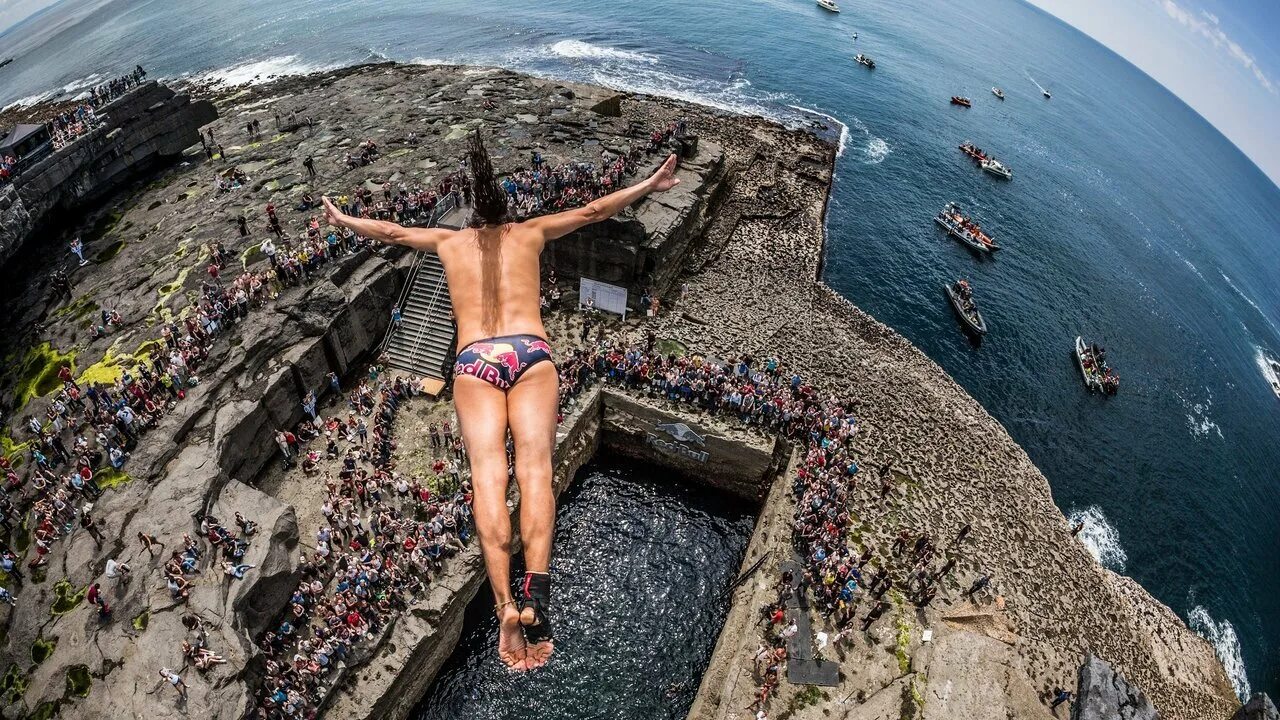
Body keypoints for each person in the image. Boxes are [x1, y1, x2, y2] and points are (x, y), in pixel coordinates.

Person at [322, 132, 682, 671]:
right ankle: (536, 592)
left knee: (488, 479)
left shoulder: (448, 242)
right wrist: (652, 182)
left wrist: (344, 219)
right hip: (530, 352)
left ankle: (505, 605)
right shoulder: (530, 232)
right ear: (508, 209)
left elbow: (391, 231)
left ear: (468, 213)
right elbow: (592, 209)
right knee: (536, 470)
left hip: (474, 361)